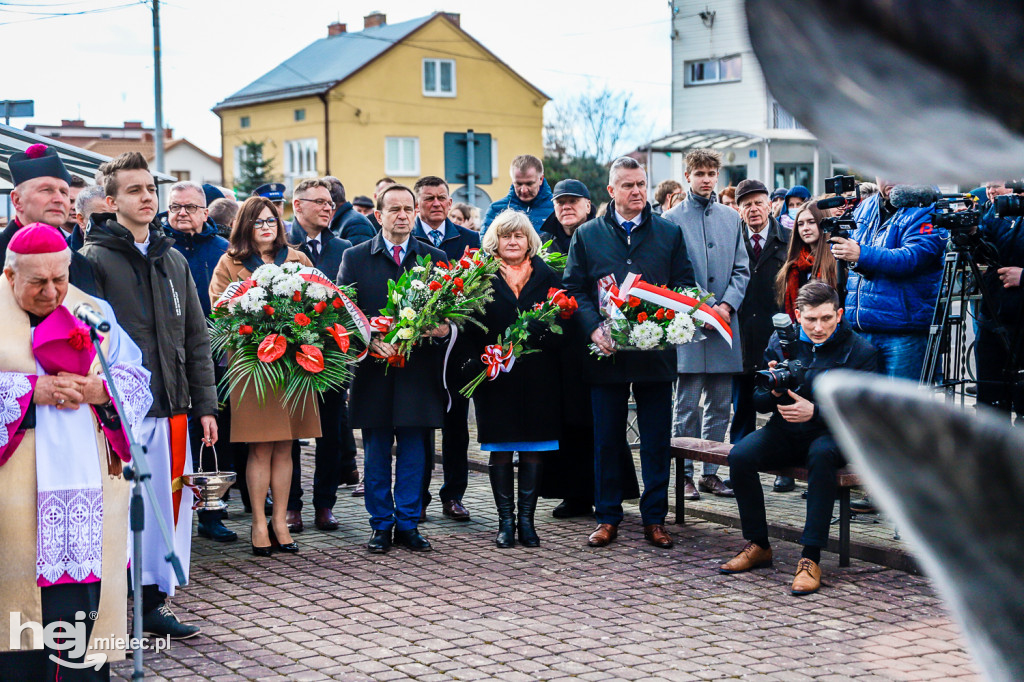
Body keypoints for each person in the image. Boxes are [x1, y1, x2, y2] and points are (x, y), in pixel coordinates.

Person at [0, 224, 152, 682]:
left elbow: (137, 378)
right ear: (9, 277)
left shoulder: (93, 311)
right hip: (15, 497)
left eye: (59, 279)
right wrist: (28, 391)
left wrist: (101, 390)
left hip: (88, 491)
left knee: (82, 619)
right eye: (37, 283)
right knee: (17, 614)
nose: (52, 292)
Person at [80, 151, 217, 639]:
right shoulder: (94, 261)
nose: (145, 198)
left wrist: (205, 405)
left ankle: (155, 603)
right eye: (134, 190)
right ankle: (110, 606)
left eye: (149, 189)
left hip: (173, 405)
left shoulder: (172, 258)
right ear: (112, 200)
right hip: (121, 411)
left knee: (168, 509)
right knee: (120, 507)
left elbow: (196, 338)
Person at [563, 156, 696, 549]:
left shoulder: (669, 233)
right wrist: (593, 328)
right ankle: (607, 517)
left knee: (656, 440)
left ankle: (655, 519)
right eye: (627, 185)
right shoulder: (587, 235)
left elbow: (684, 283)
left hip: (654, 353)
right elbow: (573, 290)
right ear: (611, 191)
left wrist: (676, 316)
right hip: (606, 354)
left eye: (640, 184)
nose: (636, 191)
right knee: (606, 439)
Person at [720, 282, 879, 595]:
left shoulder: (861, 351)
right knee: (740, 456)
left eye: (826, 319)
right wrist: (774, 391)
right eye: (810, 320)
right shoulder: (780, 343)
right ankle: (759, 544)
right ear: (797, 316)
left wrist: (816, 412)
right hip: (785, 431)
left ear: (840, 314)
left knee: (821, 456)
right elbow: (758, 402)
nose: (818, 327)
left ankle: (810, 558)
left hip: (831, 435)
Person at [338, 184, 449, 554]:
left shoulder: (433, 257)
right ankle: (381, 525)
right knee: (377, 452)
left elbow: (451, 315)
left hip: (419, 373)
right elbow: (342, 313)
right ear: (379, 215)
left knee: (416, 452)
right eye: (394, 209)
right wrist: (368, 339)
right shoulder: (355, 257)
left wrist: (439, 328)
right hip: (375, 373)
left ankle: (409, 523)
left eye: (408, 209)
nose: (402, 215)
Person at [209, 196, 318, 556]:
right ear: (245, 226)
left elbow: (321, 305)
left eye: (272, 220)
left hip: (295, 366)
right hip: (253, 369)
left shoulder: (298, 259)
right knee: (260, 448)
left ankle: (280, 521)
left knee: (286, 447)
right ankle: (258, 521)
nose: (267, 226)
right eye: (258, 222)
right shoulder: (230, 263)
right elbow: (219, 311)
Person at [832, 179, 946, 512]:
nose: (889, 179)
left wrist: (860, 254)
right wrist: (850, 254)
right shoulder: (866, 207)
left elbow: (912, 257)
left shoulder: (927, 206)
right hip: (864, 325)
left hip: (904, 328)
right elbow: (856, 256)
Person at [460, 210, 562, 547]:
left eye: (519, 235)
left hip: (539, 376)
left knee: (534, 447)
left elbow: (565, 323)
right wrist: (478, 360)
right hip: (495, 377)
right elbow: (469, 327)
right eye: (506, 236)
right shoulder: (479, 277)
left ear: (529, 239)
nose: (513, 241)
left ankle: (527, 523)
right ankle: (505, 523)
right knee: (501, 449)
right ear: (495, 242)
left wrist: (542, 332)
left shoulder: (549, 275)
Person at [664, 149, 749, 501]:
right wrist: (708, 305)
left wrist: (727, 304)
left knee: (719, 403)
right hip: (689, 324)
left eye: (711, 173)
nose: (706, 179)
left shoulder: (732, 217)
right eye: (699, 173)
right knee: (686, 405)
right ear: (687, 176)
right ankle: (683, 472)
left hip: (726, 325)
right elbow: (672, 273)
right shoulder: (670, 219)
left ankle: (710, 473)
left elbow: (742, 268)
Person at [162, 181, 235, 543]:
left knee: (212, 437)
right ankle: (172, 516)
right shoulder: (159, 248)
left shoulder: (223, 250)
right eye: (175, 206)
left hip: (213, 357)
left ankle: (212, 513)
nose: (181, 213)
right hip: (167, 357)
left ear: (206, 212)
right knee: (174, 437)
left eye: (190, 207)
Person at [287, 178, 357, 532]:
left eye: (330, 202)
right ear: (298, 206)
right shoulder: (282, 244)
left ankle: (325, 504)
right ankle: (292, 505)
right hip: (291, 360)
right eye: (319, 202)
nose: (329, 208)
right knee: (292, 436)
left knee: (330, 433)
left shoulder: (343, 247)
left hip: (332, 358)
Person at [411, 176, 481, 522]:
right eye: (429, 199)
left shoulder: (470, 241)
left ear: (450, 202)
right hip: (421, 351)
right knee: (421, 426)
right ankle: (417, 496)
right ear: (417, 204)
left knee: (456, 427)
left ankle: (453, 495)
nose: (436, 204)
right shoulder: (411, 240)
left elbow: (481, 292)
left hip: (458, 349)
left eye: (442, 198)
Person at [730, 180, 792, 493]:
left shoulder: (788, 240)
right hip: (740, 333)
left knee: (782, 401)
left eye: (758, 202)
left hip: (776, 335)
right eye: (747, 204)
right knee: (741, 404)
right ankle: (738, 466)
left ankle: (786, 469)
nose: (753, 209)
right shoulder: (733, 240)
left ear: (770, 205)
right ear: (738, 210)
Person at [2, 143, 98, 295]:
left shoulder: (81, 265)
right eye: (47, 190)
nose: (59, 199)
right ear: (17, 200)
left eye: (64, 192)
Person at [972, 183, 1024, 423]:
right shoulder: (999, 210)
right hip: (993, 314)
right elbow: (984, 249)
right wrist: (971, 232)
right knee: (990, 398)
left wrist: (1023, 277)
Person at [482, 154, 554, 234]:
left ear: (541, 179)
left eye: (529, 184)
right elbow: (485, 244)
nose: (524, 190)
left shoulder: (558, 209)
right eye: (518, 184)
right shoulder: (496, 209)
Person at [538, 179, 597, 254]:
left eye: (573, 201)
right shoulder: (541, 244)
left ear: (588, 206)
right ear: (554, 207)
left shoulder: (605, 238)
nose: (566, 207)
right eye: (560, 202)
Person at [325, 176, 376, 246]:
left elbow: (359, 255)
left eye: (319, 201)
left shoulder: (356, 224)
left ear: (330, 203)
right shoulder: (343, 221)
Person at [71, 184, 107, 252]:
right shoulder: (66, 253)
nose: (111, 223)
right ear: (81, 220)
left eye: (115, 217)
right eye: (104, 218)